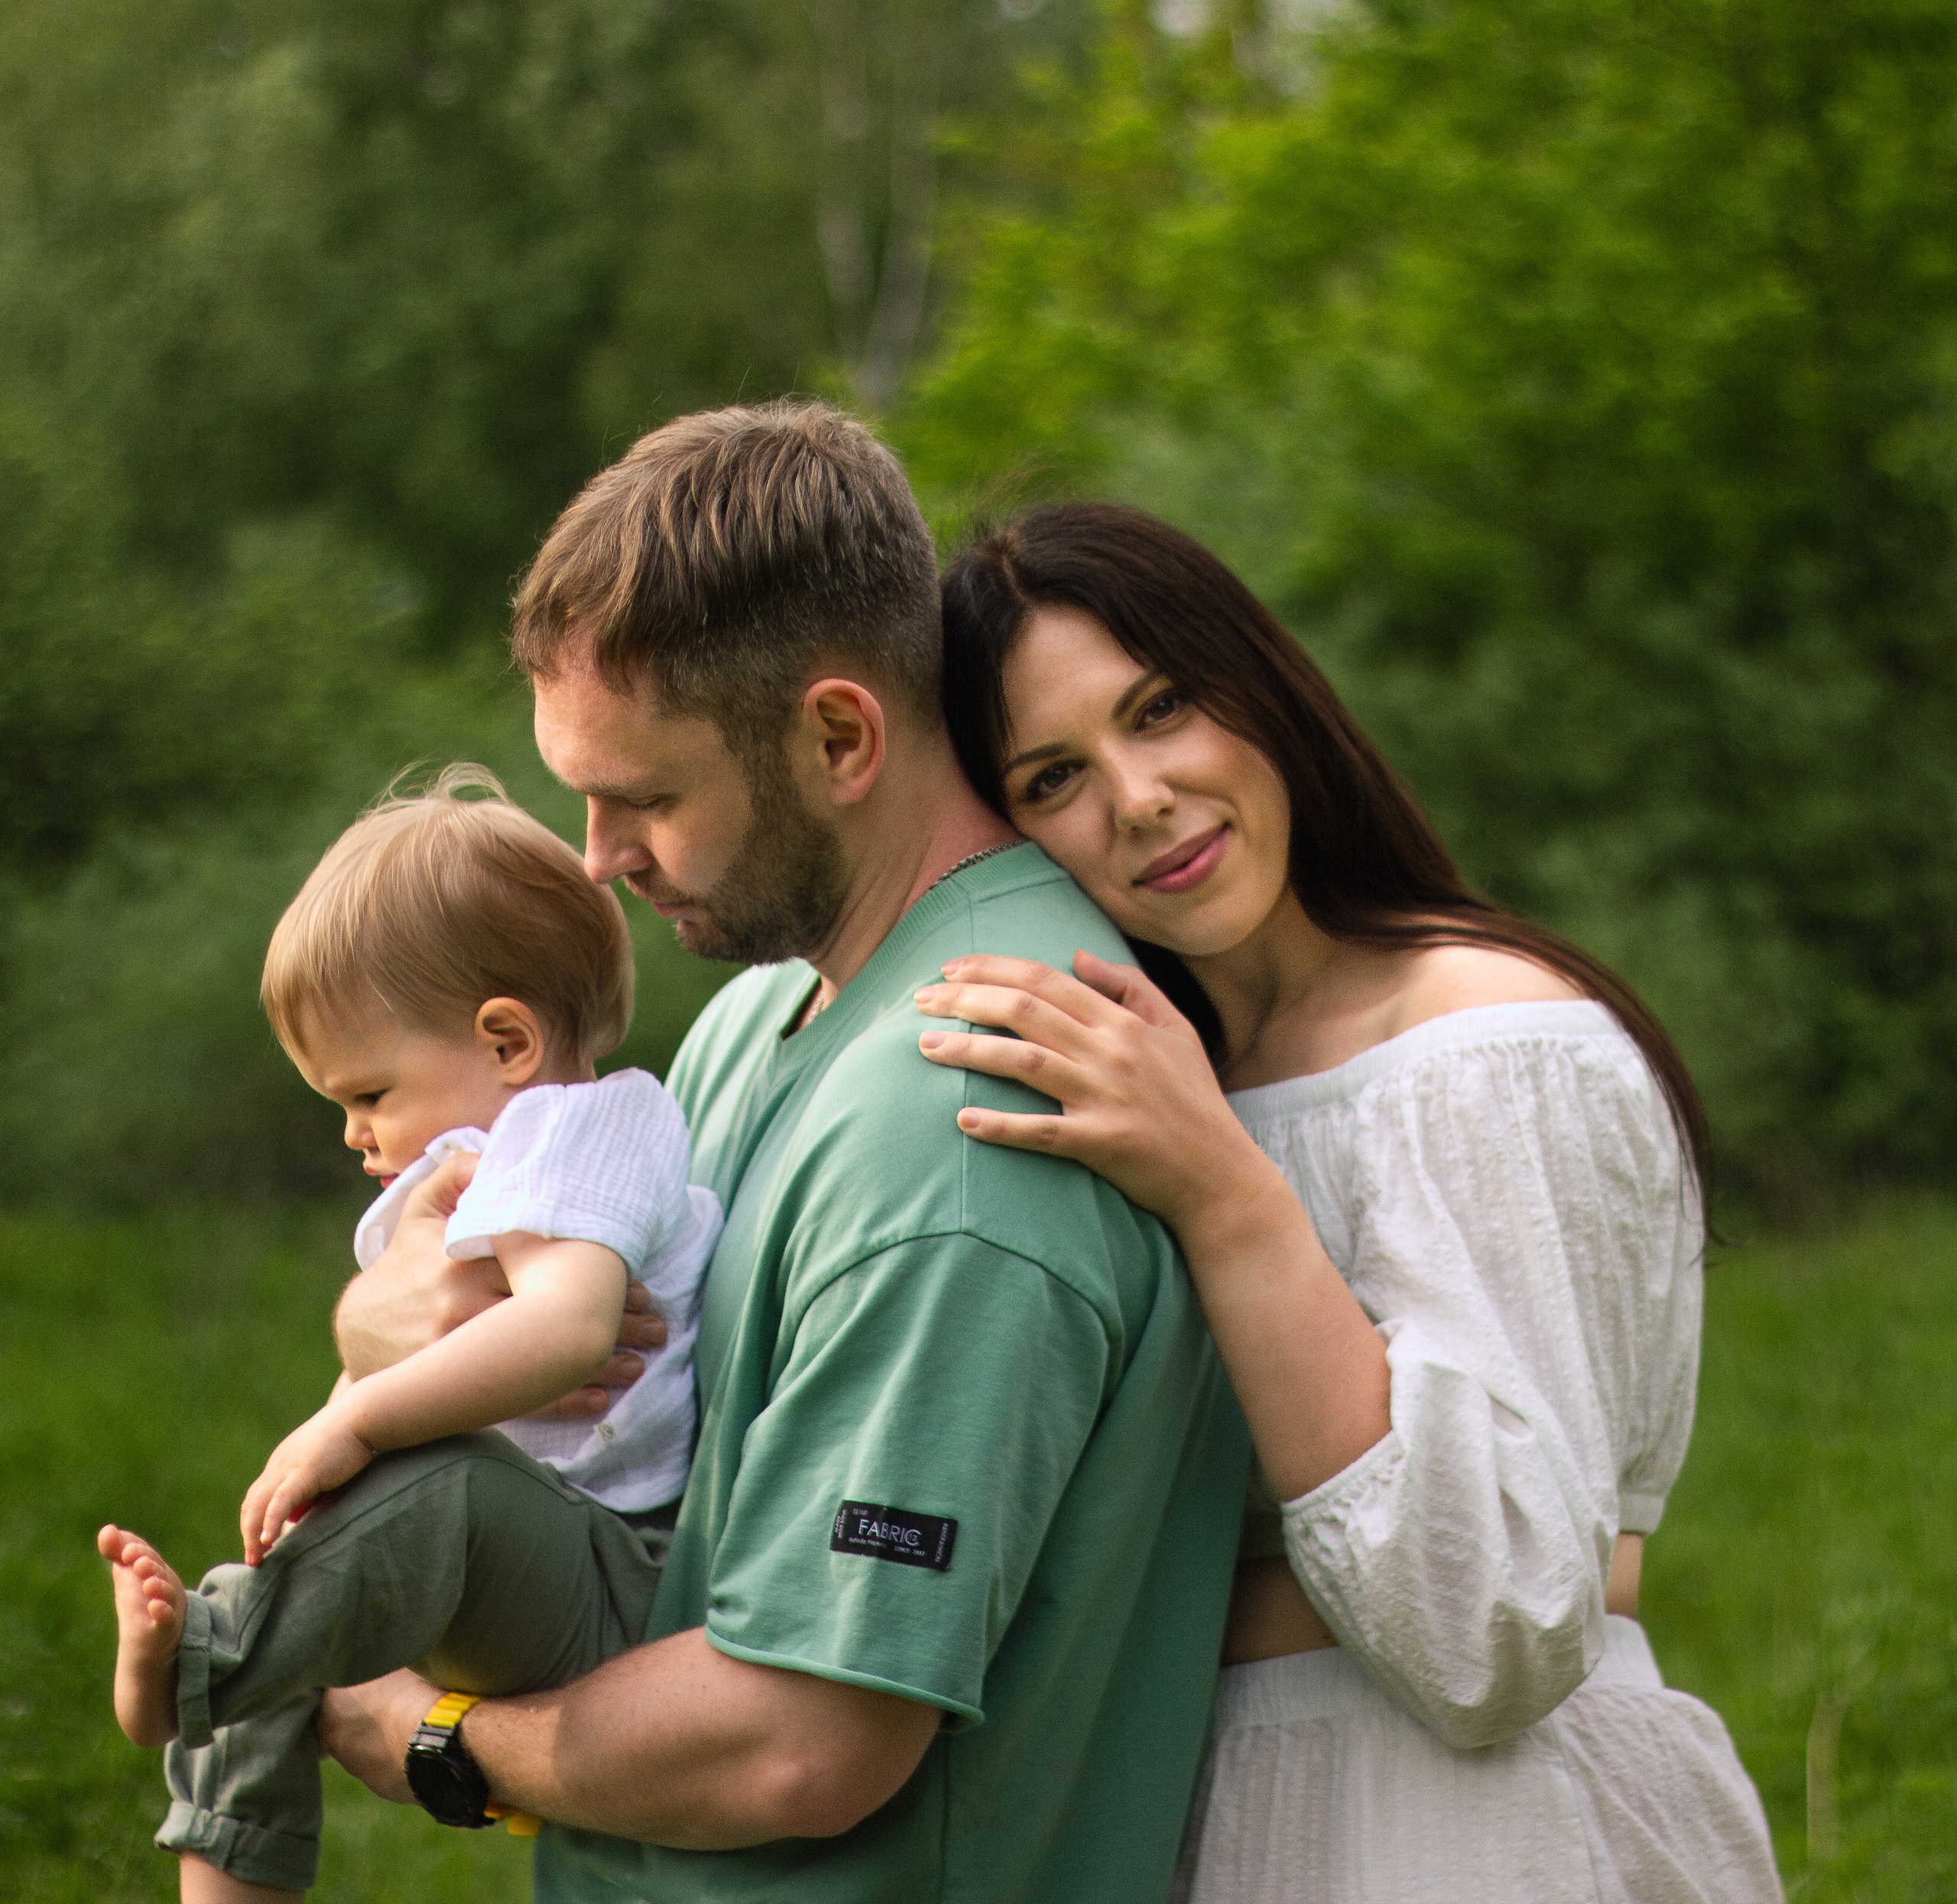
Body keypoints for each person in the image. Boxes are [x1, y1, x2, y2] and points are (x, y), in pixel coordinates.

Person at [315, 404, 1250, 1904]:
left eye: (647, 797)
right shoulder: (759, 1015)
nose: (596, 856)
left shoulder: (972, 1122)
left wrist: (439, 1741)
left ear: (839, 738)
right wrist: (393, 1328)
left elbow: (804, 1742)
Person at [914, 504, 1785, 1902]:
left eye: (1163, 708)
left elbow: (1489, 1632)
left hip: (1476, 1836)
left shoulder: (1481, 1047)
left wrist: (1225, 1195)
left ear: (1263, 686)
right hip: (1203, 1821)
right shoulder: (1145, 1079)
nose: (1138, 798)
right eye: (1054, 775)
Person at [98, 768, 719, 1901]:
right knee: (300, 1569)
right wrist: (332, 1453)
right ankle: (226, 1831)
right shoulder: (467, 1166)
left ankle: (200, 1660)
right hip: (534, 1561)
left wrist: (361, 1424)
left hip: (625, 1574)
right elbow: (406, 1361)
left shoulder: (583, 1131)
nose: (353, 1132)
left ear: (507, 1040)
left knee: (416, 1491)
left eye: (369, 1094)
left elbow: (572, 1327)